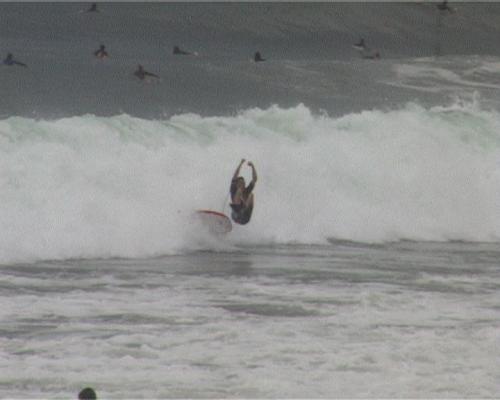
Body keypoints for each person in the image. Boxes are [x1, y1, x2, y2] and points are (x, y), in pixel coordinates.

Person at [229, 159, 257, 225]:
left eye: (243, 183)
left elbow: (254, 179)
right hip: (236, 215)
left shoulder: (246, 191)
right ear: (237, 184)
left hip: (245, 218)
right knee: (239, 191)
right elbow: (235, 175)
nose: (242, 185)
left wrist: (252, 166)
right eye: (240, 183)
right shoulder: (234, 188)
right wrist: (241, 163)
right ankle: (242, 208)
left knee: (251, 195)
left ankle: (245, 208)